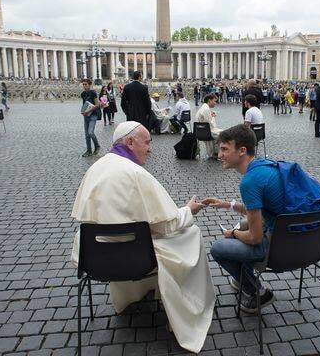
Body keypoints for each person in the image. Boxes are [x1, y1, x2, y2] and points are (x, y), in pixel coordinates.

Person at [70, 121, 215, 354]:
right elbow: (168, 224)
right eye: (147, 142)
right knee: (192, 233)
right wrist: (189, 209)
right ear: (129, 142)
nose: (150, 149)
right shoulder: (136, 173)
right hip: (137, 258)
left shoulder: (96, 167)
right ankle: (191, 305)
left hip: (95, 258)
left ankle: (134, 292)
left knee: (138, 238)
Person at [203, 124, 284, 312]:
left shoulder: (249, 181)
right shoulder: (268, 166)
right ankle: (244, 278)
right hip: (307, 242)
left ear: (242, 151)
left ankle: (258, 292)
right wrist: (227, 204)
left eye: (224, 149)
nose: (219, 154)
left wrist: (234, 233)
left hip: (279, 249)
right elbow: (261, 212)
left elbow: (254, 238)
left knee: (218, 248)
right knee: (245, 224)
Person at [80, 79, 101, 157]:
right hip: (86, 115)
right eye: (83, 84)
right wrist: (83, 111)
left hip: (93, 115)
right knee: (86, 134)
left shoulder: (93, 93)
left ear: (89, 85)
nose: (84, 86)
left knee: (90, 132)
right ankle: (89, 150)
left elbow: (97, 104)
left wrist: (89, 109)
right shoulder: (83, 94)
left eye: (86, 84)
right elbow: (84, 104)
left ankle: (97, 146)